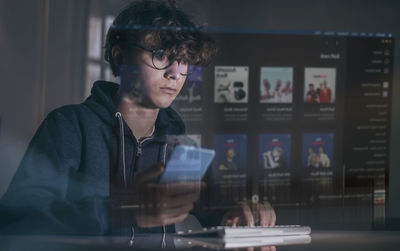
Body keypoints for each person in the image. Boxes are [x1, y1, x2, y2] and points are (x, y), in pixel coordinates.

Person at [0, 0, 275, 236]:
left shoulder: (182, 146)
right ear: (120, 56)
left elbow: (215, 209)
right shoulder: (69, 127)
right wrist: (123, 208)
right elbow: (18, 220)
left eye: (184, 60)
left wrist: (239, 213)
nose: (176, 73)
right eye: (161, 55)